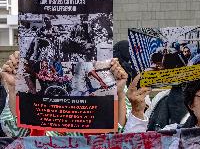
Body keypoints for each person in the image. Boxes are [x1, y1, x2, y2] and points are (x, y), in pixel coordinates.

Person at [0, 51, 128, 137]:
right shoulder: (33, 84)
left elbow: (116, 133)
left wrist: (120, 94)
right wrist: (13, 89)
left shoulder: (106, 71)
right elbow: (15, 132)